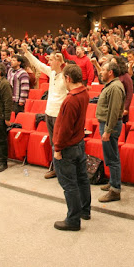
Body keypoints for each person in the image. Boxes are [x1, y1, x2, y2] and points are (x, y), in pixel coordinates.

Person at [52, 64, 91, 231]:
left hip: (68, 147)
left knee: (69, 184)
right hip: (79, 143)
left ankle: (73, 220)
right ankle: (84, 210)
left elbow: (64, 128)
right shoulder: (84, 92)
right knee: (82, 179)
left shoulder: (71, 99)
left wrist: (58, 149)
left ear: (68, 78)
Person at [22, 43, 67, 179]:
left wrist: (64, 62)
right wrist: (27, 52)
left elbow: (73, 70)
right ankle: (56, 168)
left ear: (59, 62)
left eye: (52, 59)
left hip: (60, 114)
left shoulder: (66, 75)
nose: (49, 61)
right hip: (49, 112)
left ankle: (64, 171)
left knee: (61, 144)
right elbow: (38, 64)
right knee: (53, 143)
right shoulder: (51, 73)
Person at [96, 62, 125, 202]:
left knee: (112, 158)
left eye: (103, 70)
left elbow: (113, 112)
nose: (101, 72)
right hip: (107, 125)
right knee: (111, 156)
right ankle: (113, 182)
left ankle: (115, 190)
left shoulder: (115, 87)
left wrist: (107, 131)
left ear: (110, 72)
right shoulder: (111, 85)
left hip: (110, 126)